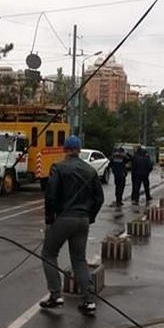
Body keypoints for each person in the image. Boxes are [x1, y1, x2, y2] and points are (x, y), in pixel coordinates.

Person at [39, 135, 105, 315]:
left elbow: (50, 195)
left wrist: (49, 220)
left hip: (64, 218)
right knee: (79, 259)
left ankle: (55, 295)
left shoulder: (58, 167)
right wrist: (90, 217)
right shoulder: (90, 170)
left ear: (64, 149)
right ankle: (89, 300)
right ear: (79, 149)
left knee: (48, 254)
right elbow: (99, 198)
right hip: (83, 220)